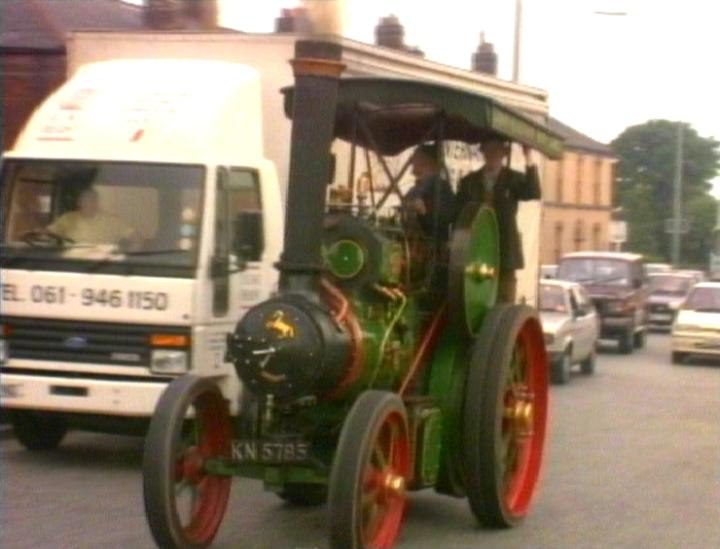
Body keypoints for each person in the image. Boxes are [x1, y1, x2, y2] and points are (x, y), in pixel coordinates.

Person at [456, 138, 541, 302]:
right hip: (478, 249)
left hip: (505, 250)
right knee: (478, 294)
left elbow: (533, 192)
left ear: (504, 154)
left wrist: (528, 157)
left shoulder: (513, 179)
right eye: (489, 150)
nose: (492, 155)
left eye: (497, 151)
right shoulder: (470, 182)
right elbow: (459, 213)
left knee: (504, 296)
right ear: (483, 153)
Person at [47, 186, 137, 246]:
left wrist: (130, 260)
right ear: (79, 202)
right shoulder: (67, 219)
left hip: (102, 268)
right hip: (70, 267)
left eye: (91, 199)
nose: (88, 203)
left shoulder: (111, 221)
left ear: (97, 201)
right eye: (84, 199)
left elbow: (135, 237)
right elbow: (48, 234)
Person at [404, 143, 455, 241]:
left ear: (427, 161)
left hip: (431, 247)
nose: (411, 162)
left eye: (416, 158)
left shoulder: (442, 188)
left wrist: (423, 212)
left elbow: (445, 218)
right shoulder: (416, 188)